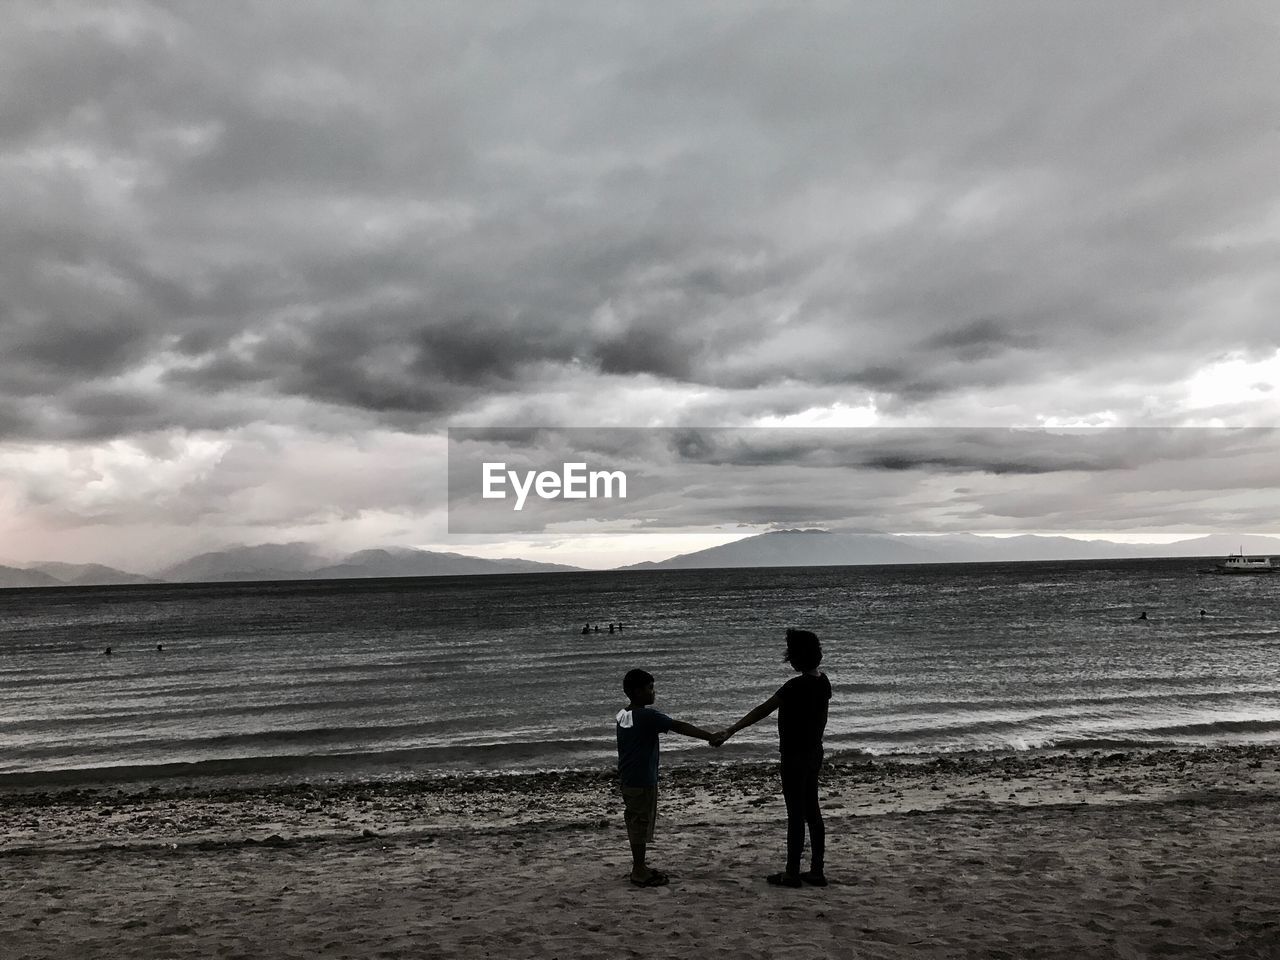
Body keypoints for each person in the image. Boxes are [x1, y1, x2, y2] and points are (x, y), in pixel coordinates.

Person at [714, 628, 832, 888]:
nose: (789, 659)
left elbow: (762, 710)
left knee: (796, 813)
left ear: (798, 657)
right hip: (814, 751)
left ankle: (792, 873)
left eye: (791, 654)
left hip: (794, 755)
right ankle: (816, 870)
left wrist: (731, 730)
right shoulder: (823, 682)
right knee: (812, 810)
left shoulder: (794, 686)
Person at [616, 668, 719, 887]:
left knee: (636, 821)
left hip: (629, 776)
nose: (653, 692)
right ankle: (638, 870)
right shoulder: (647, 716)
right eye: (649, 688)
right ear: (636, 691)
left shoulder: (623, 715)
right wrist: (708, 736)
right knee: (640, 824)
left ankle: (640, 866)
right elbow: (678, 726)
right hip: (641, 778)